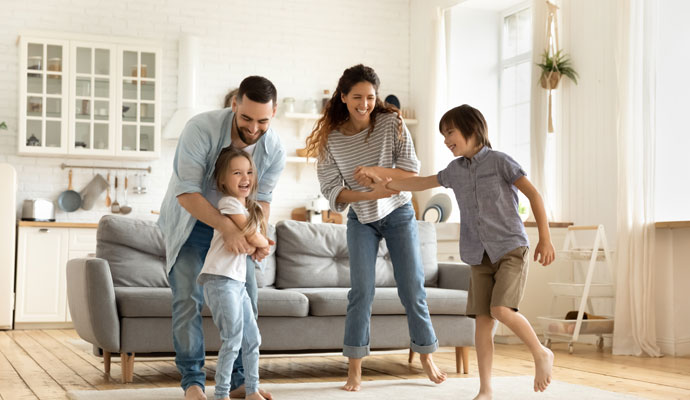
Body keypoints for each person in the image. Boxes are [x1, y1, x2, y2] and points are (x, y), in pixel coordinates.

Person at [384, 104, 556, 399]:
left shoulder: (501, 162)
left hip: (510, 248)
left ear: (472, 129)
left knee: (500, 310)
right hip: (478, 255)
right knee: (482, 323)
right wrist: (388, 183)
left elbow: (534, 195)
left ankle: (540, 353)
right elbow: (423, 182)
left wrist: (545, 238)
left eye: (449, 132)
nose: (445, 139)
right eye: (443, 134)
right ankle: (486, 389)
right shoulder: (455, 171)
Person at [304, 64, 447, 392]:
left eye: (370, 97)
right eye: (357, 97)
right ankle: (354, 369)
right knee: (361, 292)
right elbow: (331, 190)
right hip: (361, 219)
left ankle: (426, 355)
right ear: (343, 97)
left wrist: (374, 172)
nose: (365, 104)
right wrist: (370, 192)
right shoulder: (331, 139)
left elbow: (412, 170)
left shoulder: (391, 122)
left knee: (412, 288)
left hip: (398, 214)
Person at [158, 76, 285, 400]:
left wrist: (259, 238)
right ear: (233, 106)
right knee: (187, 300)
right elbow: (186, 192)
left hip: (240, 226)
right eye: (246, 118)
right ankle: (194, 385)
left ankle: (242, 383)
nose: (253, 128)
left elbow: (263, 200)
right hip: (192, 224)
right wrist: (228, 229)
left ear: (274, 113)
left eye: (263, 121)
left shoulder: (274, 149)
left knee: (248, 304)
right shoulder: (200, 129)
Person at [199, 147, 268, 400]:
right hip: (219, 279)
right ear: (223, 181)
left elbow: (254, 240)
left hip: (236, 282)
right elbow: (253, 237)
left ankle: (252, 390)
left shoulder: (248, 208)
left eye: (249, 172)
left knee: (253, 339)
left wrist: (258, 243)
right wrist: (260, 243)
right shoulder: (228, 203)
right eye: (237, 172)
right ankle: (221, 394)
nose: (245, 177)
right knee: (233, 339)